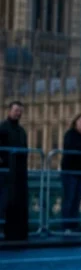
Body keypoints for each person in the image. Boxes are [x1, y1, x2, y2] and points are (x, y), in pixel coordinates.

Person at [0, 102, 28, 238]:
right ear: (9, 111)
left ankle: (14, 231)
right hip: (5, 171)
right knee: (4, 201)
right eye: (16, 110)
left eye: (20, 111)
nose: (18, 113)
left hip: (19, 172)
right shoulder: (2, 127)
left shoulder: (21, 130)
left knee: (16, 203)